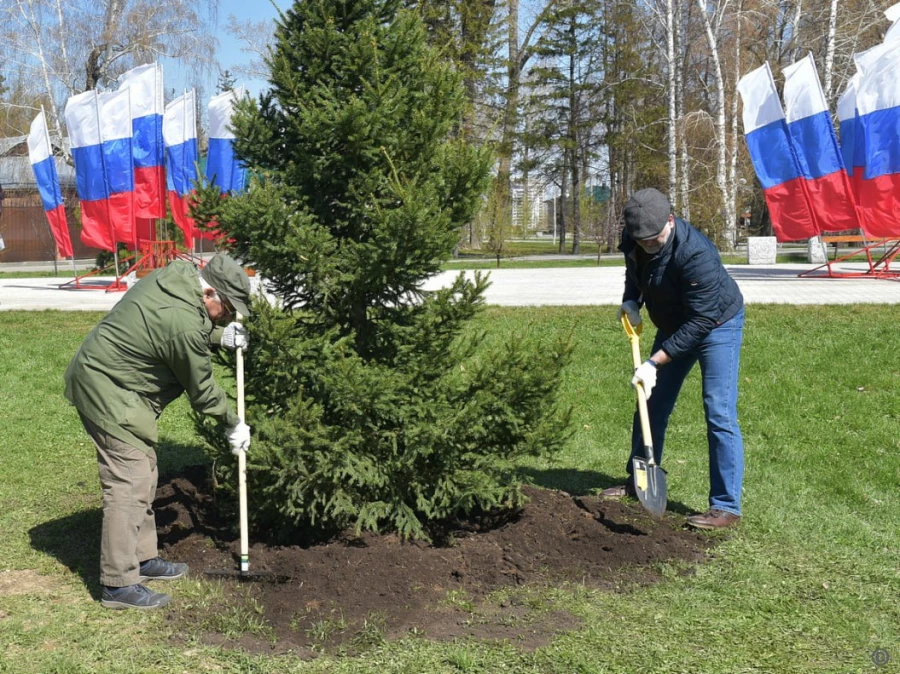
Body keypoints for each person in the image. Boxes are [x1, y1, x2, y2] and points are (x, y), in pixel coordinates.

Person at [64, 254, 253, 609]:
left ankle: (144, 558)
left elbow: (186, 325)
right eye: (226, 309)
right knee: (129, 482)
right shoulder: (181, 321)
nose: (227, 315)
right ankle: (118, 585)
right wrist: (233, 424)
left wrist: (220, 334)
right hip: (107, 389)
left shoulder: (179, 277)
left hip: (113, 381)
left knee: (146, 470)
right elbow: (203, 390)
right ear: (209, 292)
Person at [603, 188, 745, 530]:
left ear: (671, 220)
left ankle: (726, 507)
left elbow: (700, 322)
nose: (648, 245)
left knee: (718, 411)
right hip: (672, 324)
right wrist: (631, 300)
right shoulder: (636, 237)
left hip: (716, 325)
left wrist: (654, 362)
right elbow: (634, 272)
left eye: (654, 240)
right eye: (642, 241)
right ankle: (639, 480)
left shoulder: (697, 254)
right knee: (649, 402)